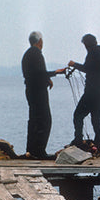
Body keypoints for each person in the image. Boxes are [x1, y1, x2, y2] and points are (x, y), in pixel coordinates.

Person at [68, 34, 100, 153]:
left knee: (78, 115)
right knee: (96, 119)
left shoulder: (91, 54)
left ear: (86, 45)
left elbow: (86, 68)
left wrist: (74, 64)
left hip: (91, 92)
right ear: (96, 42)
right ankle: (98, 145)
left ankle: (78, 141)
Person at [21, 31, 65, 159]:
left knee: (34, 120)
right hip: (38, 92)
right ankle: (39, 151)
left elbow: (34, 73)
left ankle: (31, 150)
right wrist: (55, 72)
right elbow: (39, 73)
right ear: (40, 41)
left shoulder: (28, 54)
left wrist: (47, 79)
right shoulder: (36, 54)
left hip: (31, 90)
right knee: (44, 120)